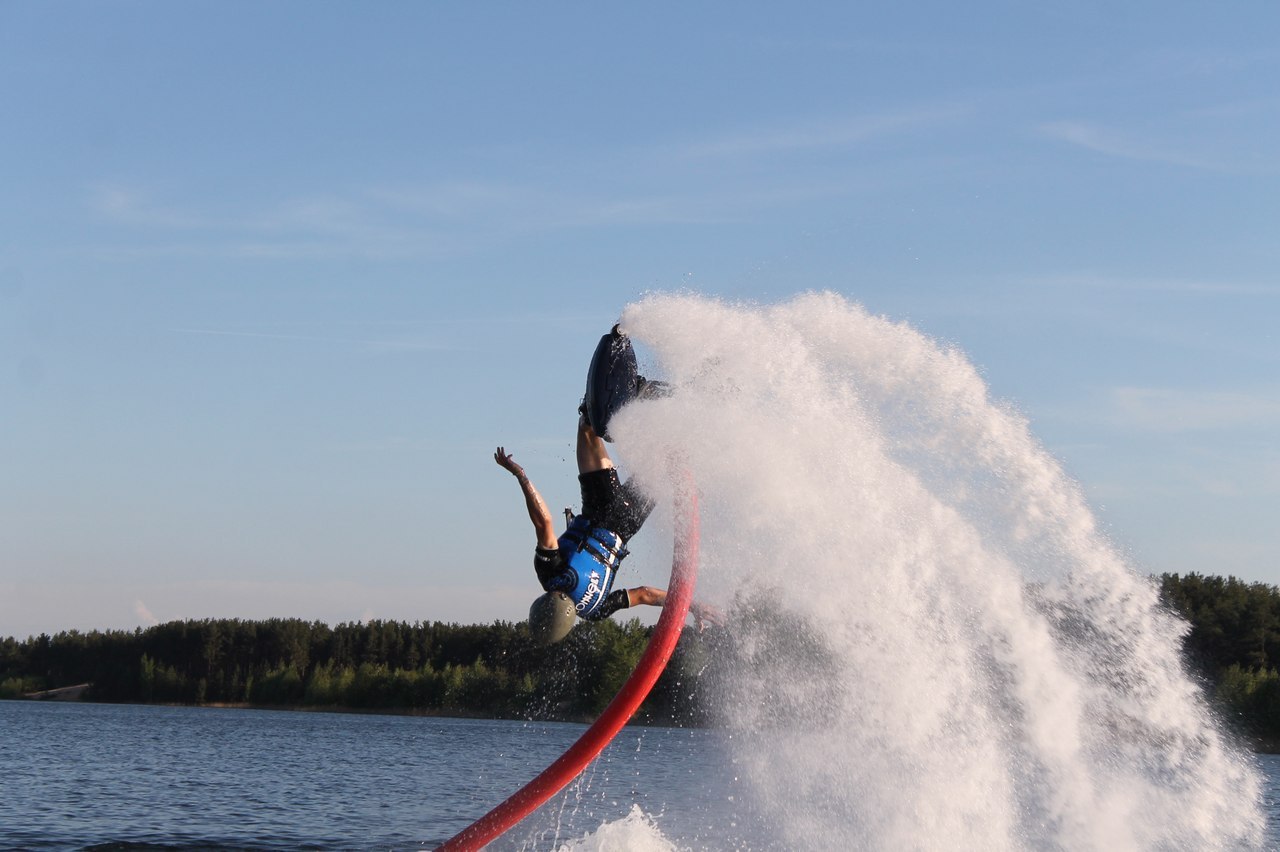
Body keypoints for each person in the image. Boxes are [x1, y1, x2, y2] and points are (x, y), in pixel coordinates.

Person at [495, 414, 716, 644]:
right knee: (588, 424)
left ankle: (688, 426)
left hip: (629, 522)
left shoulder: (594, 611)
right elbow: (544, 522)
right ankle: (631, 403)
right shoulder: (550, 574)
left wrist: (691, 606)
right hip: (601, 504)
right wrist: (520, 476)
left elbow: (643, 594)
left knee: (664, 462)